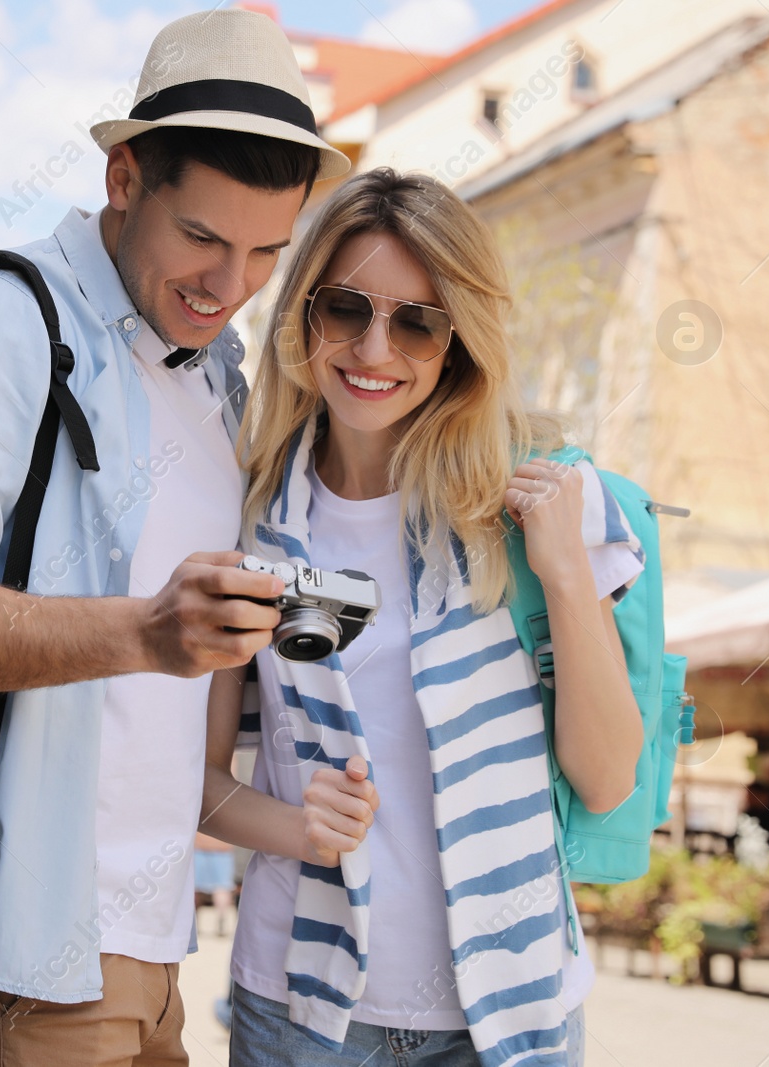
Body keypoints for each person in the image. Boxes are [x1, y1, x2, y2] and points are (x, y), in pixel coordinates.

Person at [0, 10, 349, 1066]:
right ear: (123, 179)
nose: (228, 284)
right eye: (202, 238)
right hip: (1, 944)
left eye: (265, 251)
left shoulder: (215, 372)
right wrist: (144, 631)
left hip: (148, 944)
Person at [200, 168, 647, 1066]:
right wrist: (297, 826)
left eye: (417, 321)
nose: (375, 348)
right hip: (301, 1014)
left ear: (458, 343)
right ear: (303, 317)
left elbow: (606, 780)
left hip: (509, 1018)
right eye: (346, 309)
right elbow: (197, 779)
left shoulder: (542, 501)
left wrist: (563, 572)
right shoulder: (250, 519)